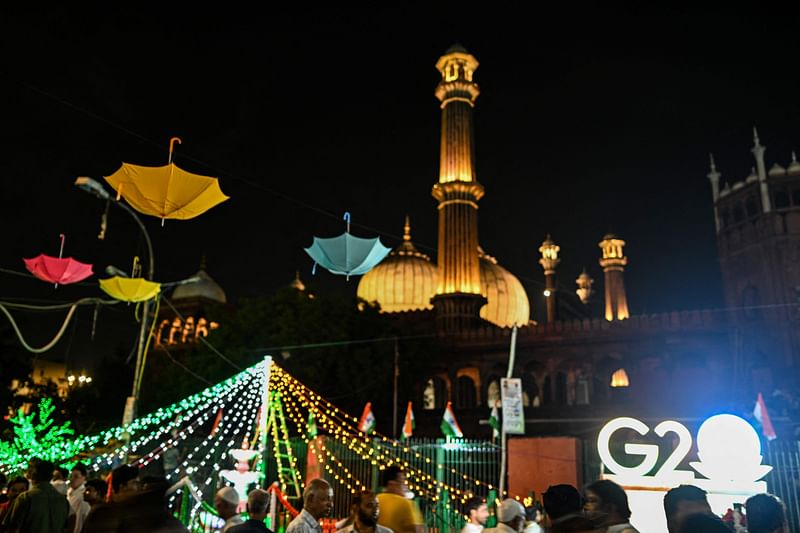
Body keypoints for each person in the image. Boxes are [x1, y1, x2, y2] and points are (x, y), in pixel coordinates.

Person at [1, 457, 70, 533]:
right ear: (51, 477)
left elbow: (11, 527)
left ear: (33, 475)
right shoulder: (63, 501)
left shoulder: (25, 498)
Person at [376, 466, 425, 533]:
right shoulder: (406, 504)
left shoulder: (376, 500)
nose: (405, 486)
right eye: (402, 482)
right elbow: (419, 530)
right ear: (392, 484)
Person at [68, 463, 89, 533]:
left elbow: (79, 521)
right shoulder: (69, 492)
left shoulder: (82, 496)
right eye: (71, 476)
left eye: (76, 477)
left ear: (84, 478)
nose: (72, 479)